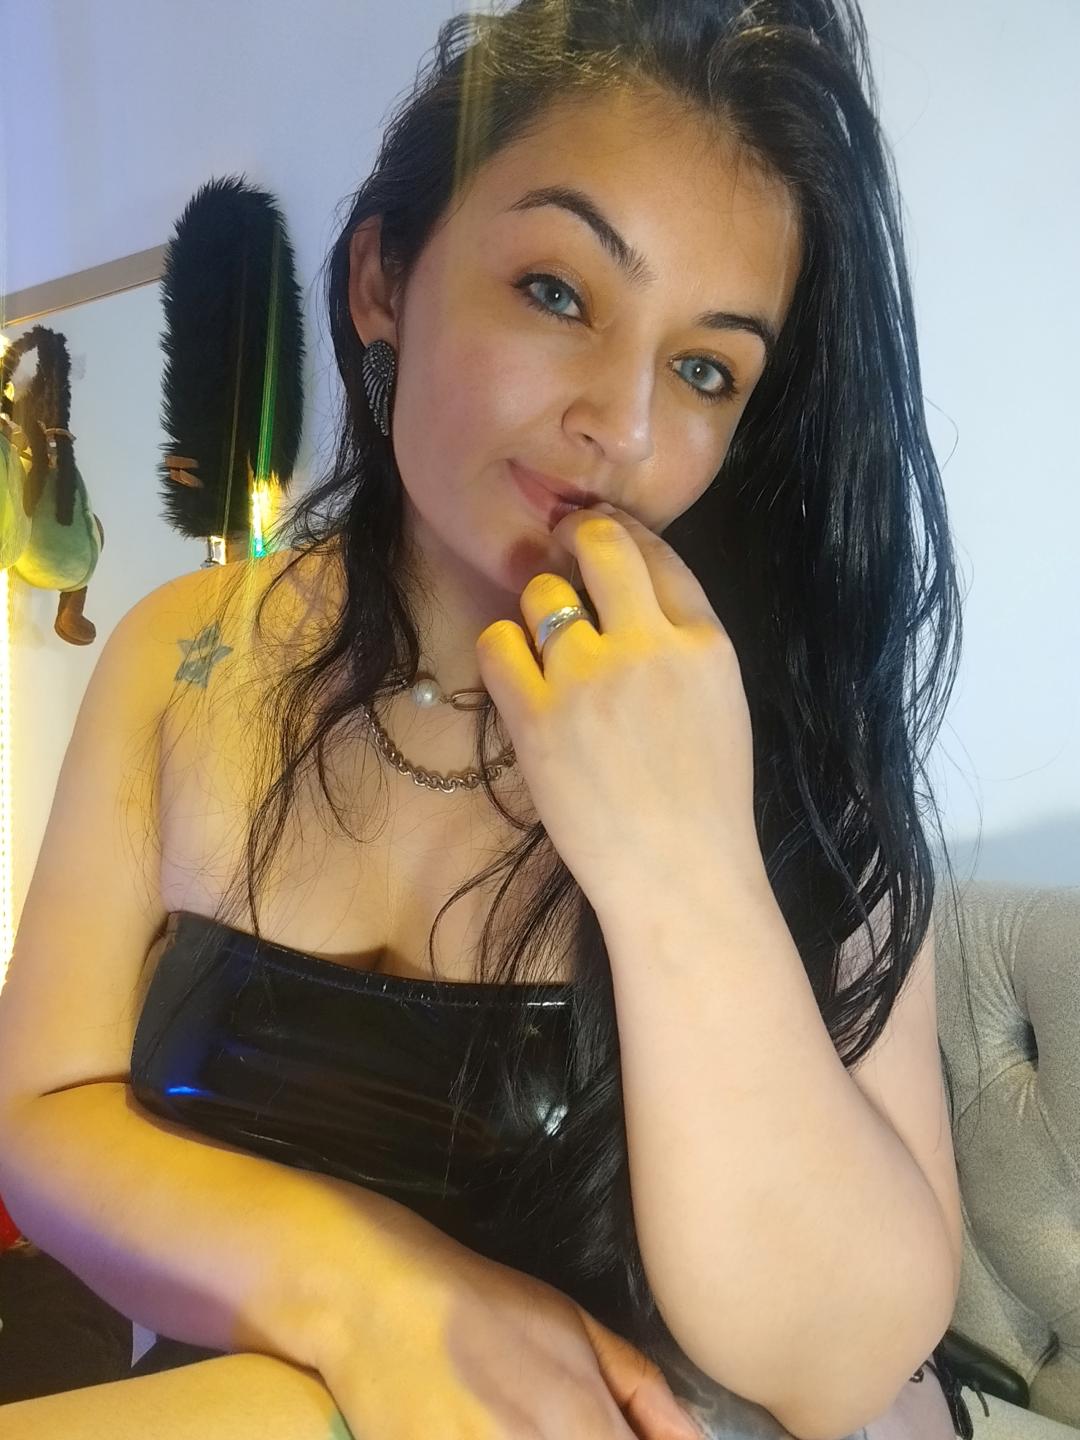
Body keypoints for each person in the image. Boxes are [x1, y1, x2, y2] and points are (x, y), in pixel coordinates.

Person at [0, 1, 981, 1436]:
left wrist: (681, 859)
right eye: (559, 292)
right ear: (383, 280)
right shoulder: (180, 656)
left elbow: (838, 1368)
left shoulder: (794, 731)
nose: (623, 428)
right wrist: (371, 1297)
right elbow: (41, 1113)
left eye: (705, 369)